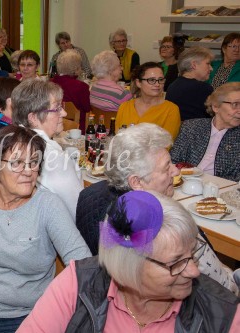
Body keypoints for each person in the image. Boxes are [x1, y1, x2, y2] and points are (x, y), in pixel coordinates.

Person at [18, 191, 240, 332]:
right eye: (176, 263)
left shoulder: (224, 314)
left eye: (193, 253)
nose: (193, 271)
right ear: (129, 266)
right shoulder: (79, 284)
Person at [0, 125, 91, 332]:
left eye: (34, 162)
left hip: (27, 317)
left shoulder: (48, 205)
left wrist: (53, 312)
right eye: (16, 163)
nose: (28, 171)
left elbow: (83, 266)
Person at [76, 123, 238, 292]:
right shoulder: (163, 223)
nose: (175, 171)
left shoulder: (90, 194)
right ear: (137, 182)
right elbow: (222, 285)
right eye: (166, 166)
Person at [12, 79, 83, 220]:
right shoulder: (53, 157)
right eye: (57, 108)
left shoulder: (11, 139)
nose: (63, 113)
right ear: (33, 117)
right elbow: (78, 210)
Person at [171, 82, 240, 182]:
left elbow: (237, 179)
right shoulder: (191, 127)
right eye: (235, 104)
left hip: (220, 190)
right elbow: (173, 160)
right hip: (183, 183)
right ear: (216, 106)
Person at [116, 62, 180, 140]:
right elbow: (117, 138)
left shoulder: (171, 110)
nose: (157, 84)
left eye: (161, 80)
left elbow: (167, 144)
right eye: (151, 80)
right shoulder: (125, 107)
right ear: (138, 83)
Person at [166, 46, 214, 121]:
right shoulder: (203, 88)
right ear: (194, 65)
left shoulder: (172, 86)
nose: (211, 68)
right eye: (208, 64)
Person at [50, 49, 90, 131]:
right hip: (77, 128)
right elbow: (87, 109)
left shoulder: (50, 83)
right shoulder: (81, 87)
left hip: (54, 124)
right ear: (76, 68)